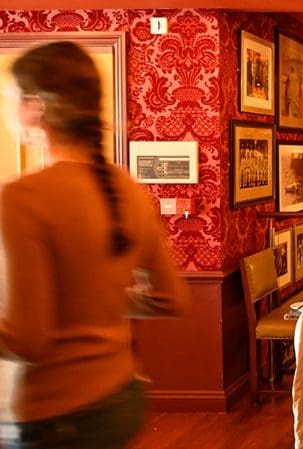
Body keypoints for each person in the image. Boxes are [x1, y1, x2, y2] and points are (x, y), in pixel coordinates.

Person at [0, 41, 188, 448]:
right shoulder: (129, 190)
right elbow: (172, 297)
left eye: (11, 97)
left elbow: (28, 340)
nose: (8, 108)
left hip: (57, 413)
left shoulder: (23, 198)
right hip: (121, 395)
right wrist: (101, 297)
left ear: (37, 107)